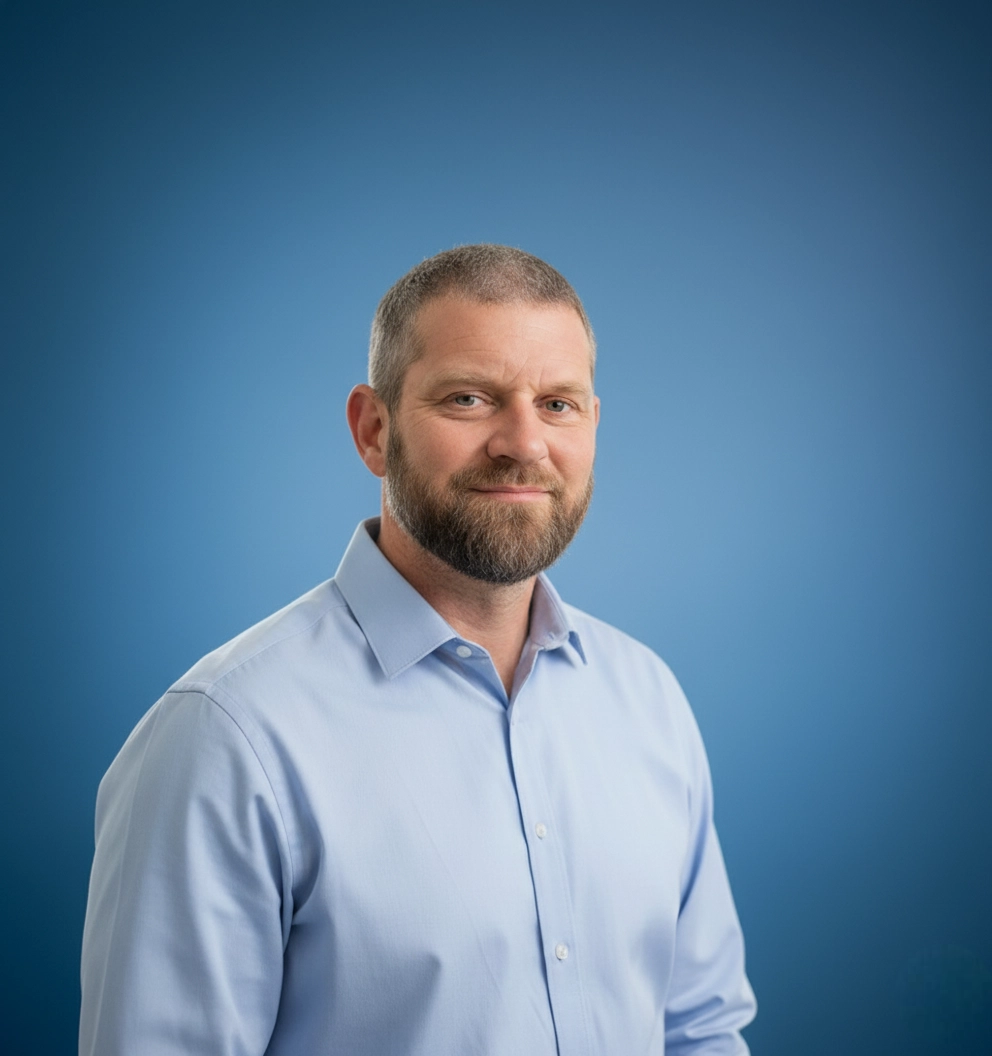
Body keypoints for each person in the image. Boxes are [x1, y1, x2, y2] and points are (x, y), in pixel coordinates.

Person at [80, 244, 756, 1055]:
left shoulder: (647, 700)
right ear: (374, 430)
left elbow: (701, 1030)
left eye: (557, 404)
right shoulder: (228, 736)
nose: (524, 443)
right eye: (469, 399)